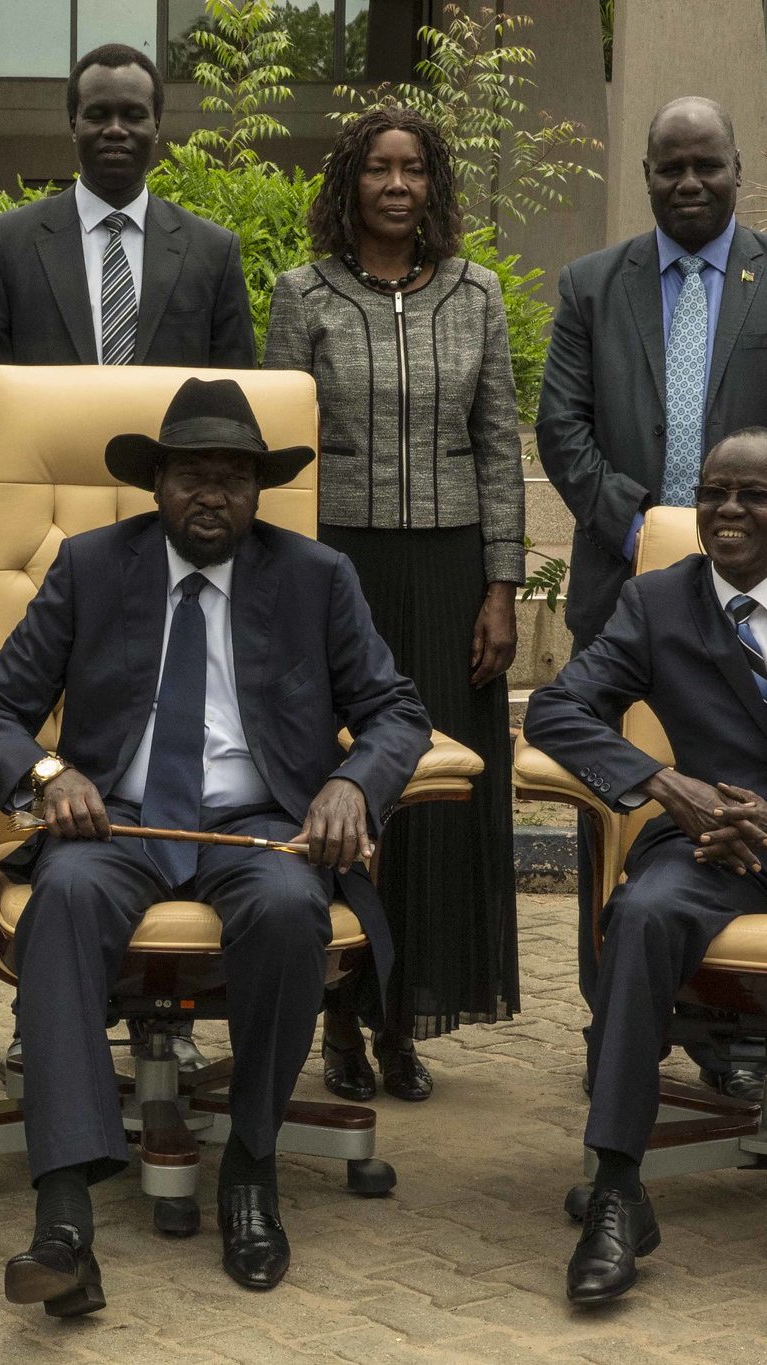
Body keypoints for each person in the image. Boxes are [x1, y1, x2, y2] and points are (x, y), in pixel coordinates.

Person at [0, 376, 431, 1313]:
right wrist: (51, 778)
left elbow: (394, 710)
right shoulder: (93, 565)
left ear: (258, 491)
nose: (210, 496)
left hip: (261, 824)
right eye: (189, 478)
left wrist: (348, 783)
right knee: (65, 897)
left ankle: (250, 1170)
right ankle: (62, 1224)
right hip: (118, 818)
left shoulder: (313, 576)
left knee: (293, 908)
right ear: (156, 485)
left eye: (232, 479)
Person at [263, 104, 523, 1102]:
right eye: (379, 168)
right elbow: (281, 457)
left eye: (416, 169)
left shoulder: (481, 296)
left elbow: (499, 448)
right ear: (350, 182)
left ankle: (407, 1017)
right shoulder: (304, 296)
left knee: (433, 802)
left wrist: (502, 588)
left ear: (436, 185)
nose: (398, 185)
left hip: (453, 573)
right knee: (339, 790)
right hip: (338, 572)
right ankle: (337, 1014)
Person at [537, 96, 767, 1096]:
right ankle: (619, 1042)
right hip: (632, 587)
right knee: (618, 826)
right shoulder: (594, 284)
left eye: (705, 166)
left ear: (736, 170)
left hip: (759, 565)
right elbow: (563, 427)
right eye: (668, 167)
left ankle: (734, 1037)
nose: (687, 182)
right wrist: (646, 535)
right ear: (645, 174)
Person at [524, 428, 767, 1305]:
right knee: (639, 912)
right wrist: (666, 784)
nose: (728, 509)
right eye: (713, 492)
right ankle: (618, 1188)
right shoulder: (658, 601)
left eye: (752, 494)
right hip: (708, 848)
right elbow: (556, 709)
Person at [0, 43, 255, 369]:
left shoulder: (213, 252)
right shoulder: (2, 247)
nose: (116, 129)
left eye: (134, 115)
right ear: (73, 124)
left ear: (157, 125)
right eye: (98, 114)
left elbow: (236, 388)